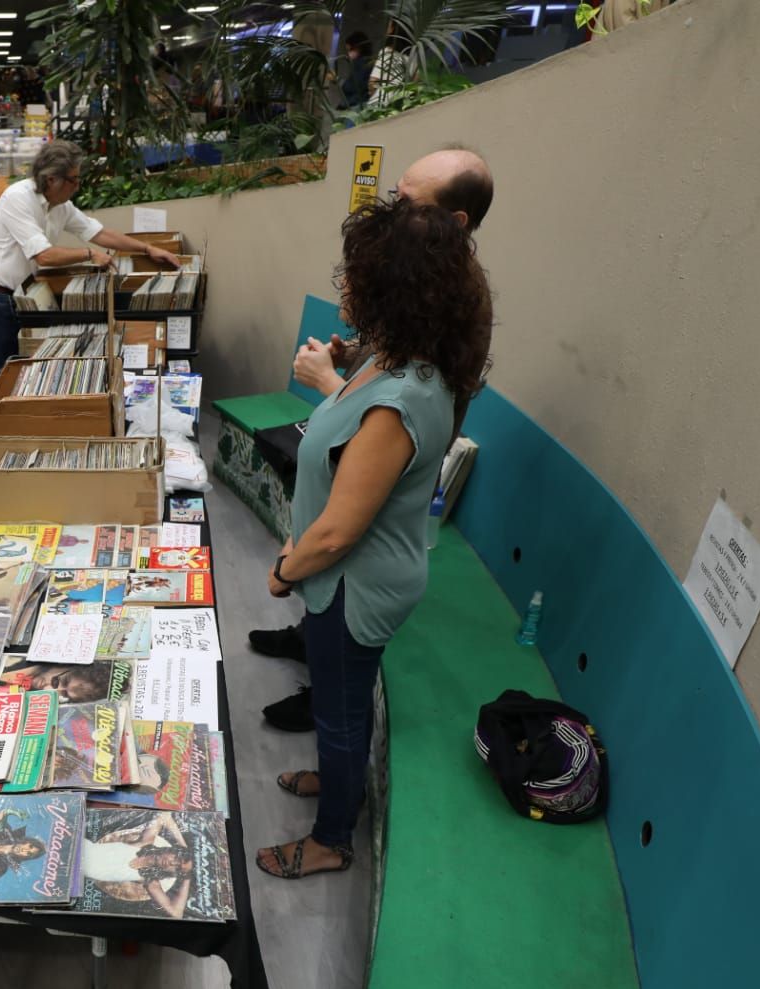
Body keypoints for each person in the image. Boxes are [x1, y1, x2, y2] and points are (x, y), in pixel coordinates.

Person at [255, 198, 492, 881]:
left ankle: (331, 840)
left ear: (395, 290)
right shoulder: (393, 360)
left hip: (355, 584)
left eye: (356, 278)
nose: (344, 290)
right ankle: (340, 785)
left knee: (338, 710)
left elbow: (338, 532)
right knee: (341, 703)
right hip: (348, 577)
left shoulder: (403, 399)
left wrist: (285, 571)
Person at [251, 146, 496, 713]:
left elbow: (397, 419)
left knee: (338, 593)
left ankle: (324, 687)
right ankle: (314, 640)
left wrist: (332, 383)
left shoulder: (459, 299)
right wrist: (360, 354)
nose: (392, 210)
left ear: (451, 223)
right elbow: (397, 357)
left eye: (407, 202)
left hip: (380, 473)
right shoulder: (430, 273)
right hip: (369, 438)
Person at [0, 140, 182, 392]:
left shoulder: (61, 206)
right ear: (52, 179)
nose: (77, 185)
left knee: (26, 376)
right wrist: (88, 255)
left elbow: (99, 233)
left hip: (25, 296)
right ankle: (0, 431)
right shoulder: (17, 198)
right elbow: (44, 256)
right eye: (73, 179)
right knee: (5, 378)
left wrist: (147, 249)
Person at [369, 20, 416, 108]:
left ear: (393, 30)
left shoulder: (387, 52)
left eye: (389, 26)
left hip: (380, 104)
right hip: (402, 105)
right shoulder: (412, 57)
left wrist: (372, 95)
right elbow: (415, 83)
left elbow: (373, 82)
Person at [339, 31, 375, 108]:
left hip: (356, 105)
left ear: (358, 48)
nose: (348, 54)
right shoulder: (369, 62)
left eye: (349, 50)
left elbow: (353, 86)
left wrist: (337, 79)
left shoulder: (362, 64)